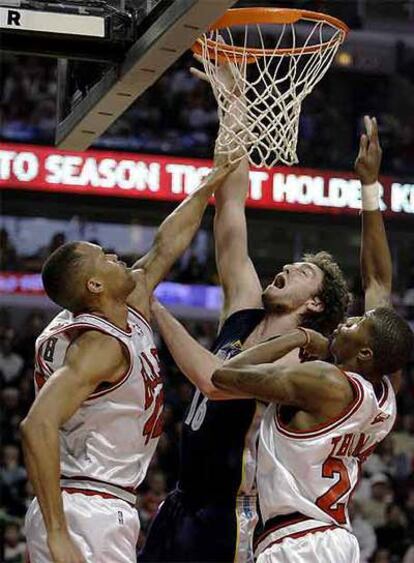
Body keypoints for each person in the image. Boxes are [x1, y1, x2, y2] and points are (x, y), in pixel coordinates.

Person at [138, 111, 378, 563]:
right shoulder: (244, 313)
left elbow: (214, 379)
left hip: (232, 516)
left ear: (316, 305)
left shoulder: (296, 366)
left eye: (301, 272)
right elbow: (230, 206)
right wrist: (231, 106)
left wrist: (152, 304)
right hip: (182, 501)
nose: (285, 268)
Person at [20, 162, 235, 563]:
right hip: (85, 507)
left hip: (97, 503)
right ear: (94, 286)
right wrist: (59, 534)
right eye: (104, 257)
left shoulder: (125, 308)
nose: (116, 255)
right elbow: (37, 424)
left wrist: (211, 181)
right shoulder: (98, 344)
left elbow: (165, 245)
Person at [211, 309, 412, 562]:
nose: (346, 320)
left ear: (365, 353)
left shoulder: (325, 381)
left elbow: (223, 375)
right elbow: (377, 285)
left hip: (300, 541)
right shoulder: (386, 399)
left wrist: (299, 337)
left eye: (356, 323)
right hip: (333, 540)